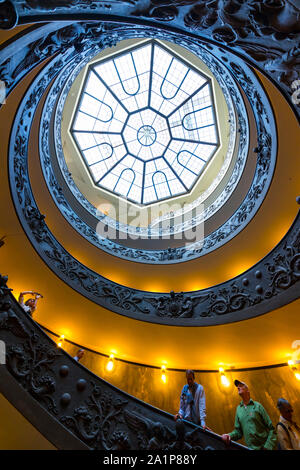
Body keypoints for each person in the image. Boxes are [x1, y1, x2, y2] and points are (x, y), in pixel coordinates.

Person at [221, 380, 277, 450]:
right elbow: (238, 432)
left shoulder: (258, 406)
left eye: (241, 385)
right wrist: (229, 435)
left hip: (265, 448)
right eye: (237, 386)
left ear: (247, 390)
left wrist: (267, 447)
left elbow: (272, 429)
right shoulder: (238, 409)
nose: (238, 387)